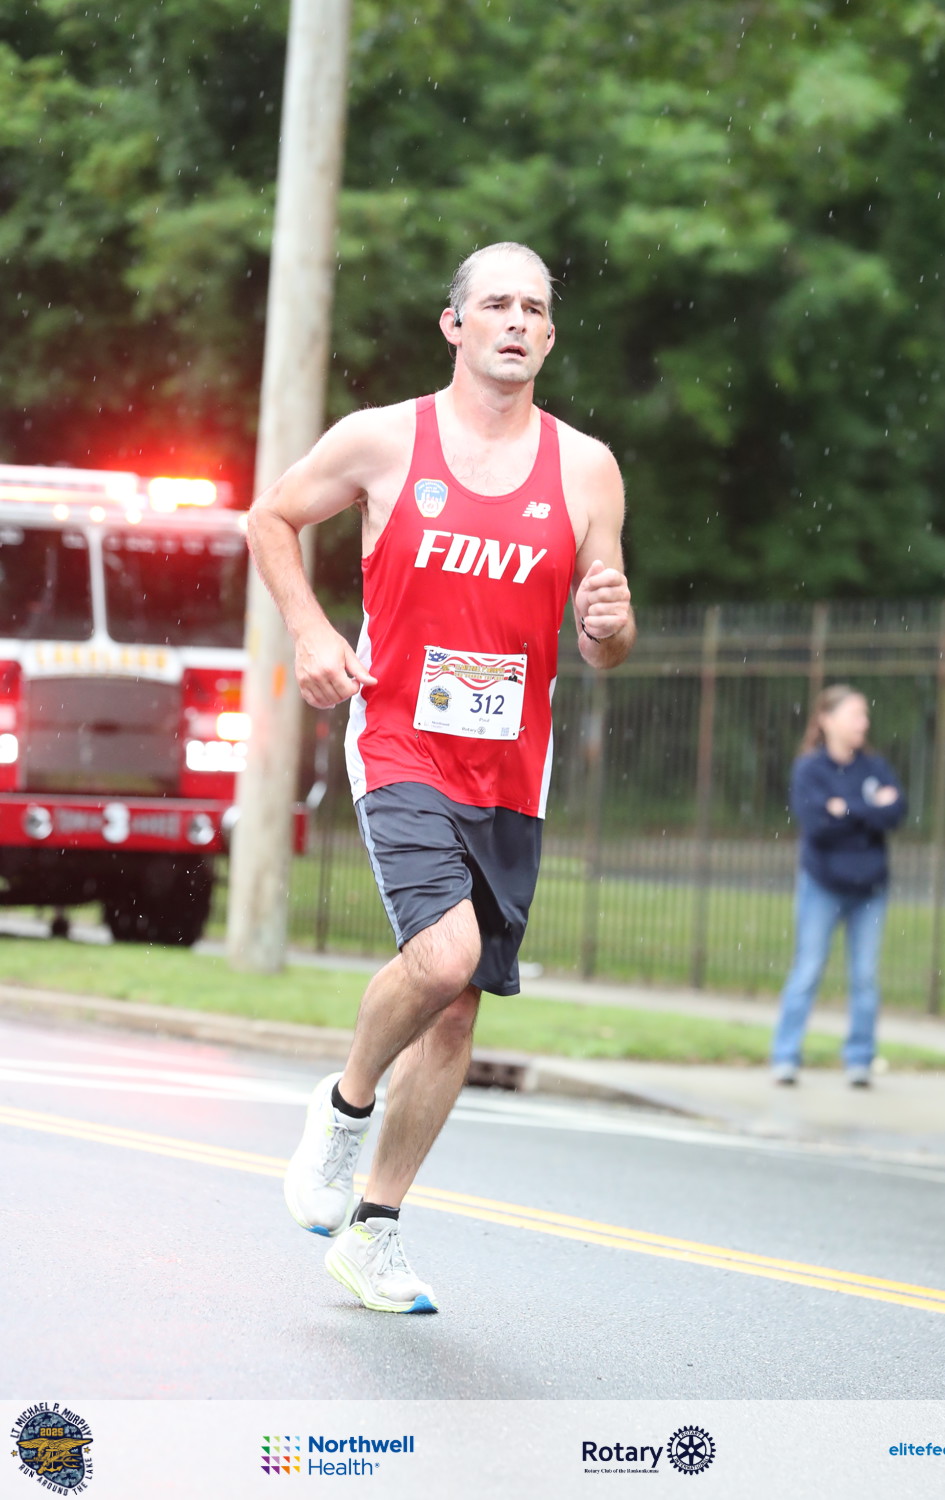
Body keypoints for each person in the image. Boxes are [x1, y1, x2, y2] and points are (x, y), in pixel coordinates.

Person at [247, 241, 635, 1313]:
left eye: (534, 309)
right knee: (444, 953)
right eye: (495, 304)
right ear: (454, 325)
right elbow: (270, 517)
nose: (516, 321)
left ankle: (374, 1229)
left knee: (458, 1013)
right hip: (400, 741)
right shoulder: (384, 439)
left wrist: (611, 626)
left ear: (549, 336)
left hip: (510, 769)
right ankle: (344, 1107)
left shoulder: (587, 469)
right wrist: (311, 630)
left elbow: (602, 641)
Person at [771, 684, 907, 1088]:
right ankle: (785, 1056)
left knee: (865, 978)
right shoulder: (810, 770)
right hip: (822, 886)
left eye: (865, 716)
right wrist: (868, 810)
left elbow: (897, 812)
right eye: (855, 715)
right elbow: (818, 826)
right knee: (808, 971)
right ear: (827, 720)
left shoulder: (875, 768)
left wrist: (846, 809)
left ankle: (860, 1060)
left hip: (870, 890)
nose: (863, 723)